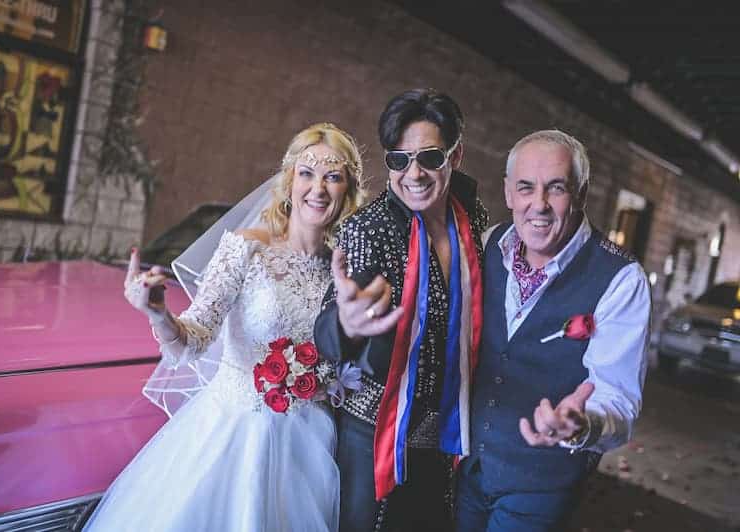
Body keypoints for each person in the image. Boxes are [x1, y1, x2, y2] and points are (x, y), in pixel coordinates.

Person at [84, 123, 367, 532]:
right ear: (289, 180)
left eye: (333, 176)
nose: (318, 188)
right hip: (231, 432)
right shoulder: (246, 247)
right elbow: (193, 339)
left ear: (347, 190)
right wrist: (159, 314)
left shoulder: (342, 269)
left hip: (307, 445)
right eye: (306, 173)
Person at [455, 129, 651, 531]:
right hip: (467, 468)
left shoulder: (621, 278)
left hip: (541, 486)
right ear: (509, 193)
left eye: (556, 188)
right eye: (526, 187)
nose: (538, 205)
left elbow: (617, 397)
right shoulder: (489, 244)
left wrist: (582, 425)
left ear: (580, 194)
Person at [314, 88, 489, 531]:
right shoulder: (369, 228)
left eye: (429, 157)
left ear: (456, 155)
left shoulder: (474, 218)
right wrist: (346, 326)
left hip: (448, 436)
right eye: (399, 159)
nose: (414, 173)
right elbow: (332, 325)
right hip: (374, 432)